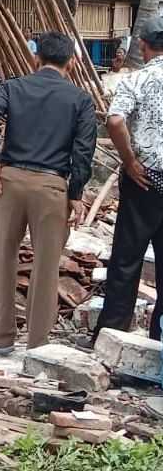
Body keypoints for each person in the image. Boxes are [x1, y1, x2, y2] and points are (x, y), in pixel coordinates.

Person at [0, 32, 96, 353]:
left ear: (36, 59)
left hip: (11, 181)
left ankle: (1, 340)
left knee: (4, 257)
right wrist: (76, 193)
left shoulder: (14, 87)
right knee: (46, 266)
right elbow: (83, 152)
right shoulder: (80, 100)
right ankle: (38, 344)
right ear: (71, 63)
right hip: (51, 186)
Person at [91, 17, 163, 344]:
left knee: (127, 258)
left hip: (144, 178)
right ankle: (158, 338)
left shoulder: (138, 79)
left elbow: (116, 119)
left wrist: (129, 159)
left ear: (145, 47)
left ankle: (111, 333)